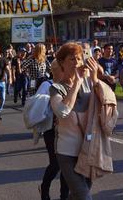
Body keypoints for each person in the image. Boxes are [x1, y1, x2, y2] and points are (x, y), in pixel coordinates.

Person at [50, 43, 108, 200]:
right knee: (84, 196)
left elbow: (105, 102)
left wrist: (95, 78)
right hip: (67, 152)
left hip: (88, 149)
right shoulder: (56, 88)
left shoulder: (89, 83)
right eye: (71, 59)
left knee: (77, 195)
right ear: (62, 63)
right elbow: (63, 112)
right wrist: (77, 82)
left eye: (78, 58)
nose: (76, 62)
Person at [41, 60, 69, 200]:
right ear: (55, 71)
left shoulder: (68, 84)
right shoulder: (47, 85)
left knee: (67, 166)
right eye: (61, 69)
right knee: (56, 164)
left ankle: (64, 196)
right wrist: (52, 102)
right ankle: (44, 189)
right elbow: (38, 105)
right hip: (51, 130)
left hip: (68, 130)